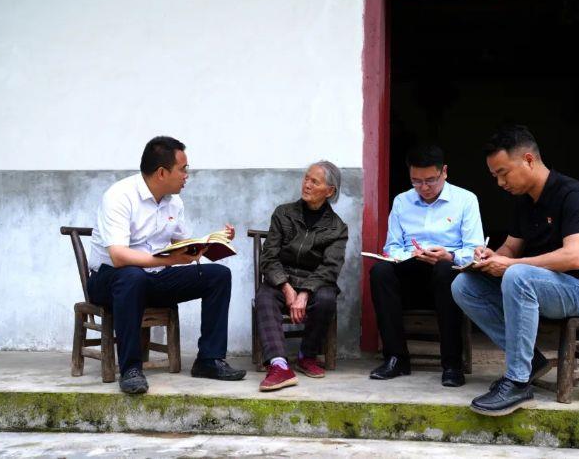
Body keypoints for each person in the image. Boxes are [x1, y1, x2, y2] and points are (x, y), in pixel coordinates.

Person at [451, 125, 579, 416]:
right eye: (495, 176)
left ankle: (518, 382)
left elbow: (574, 257)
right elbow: (511, 249)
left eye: (503, 173)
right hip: (539, 286)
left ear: (528, 160)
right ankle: (531, 362)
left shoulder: (572, 194)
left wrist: (511, 265)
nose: (500, 183)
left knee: (517, 275)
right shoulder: (525, 201)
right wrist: (492, 257)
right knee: (464, 285)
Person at [87, 136, 246, 394]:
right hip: (111, 280)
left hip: (154, 278)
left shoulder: (174, 202)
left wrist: (212, 240)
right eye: (183, 169)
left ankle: (209, 360)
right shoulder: (119, 196)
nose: (186, 175)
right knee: (132, 276)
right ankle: (131, 369)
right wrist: (171, 260)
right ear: (162, 173)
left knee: (218, 275)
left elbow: (183, 244)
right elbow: (118, 257)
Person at [369, 145, 484, 387]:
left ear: (444, 172)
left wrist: (449, 256)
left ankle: (452, 364)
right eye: (416, 181)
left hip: (448, 276)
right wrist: (410, 254)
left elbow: (475, 250)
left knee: (444, 270)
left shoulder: (466, 200)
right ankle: (396, 358)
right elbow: (391, 247)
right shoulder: (402, 201)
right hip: (411, 272)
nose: (423, 187)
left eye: (430, 180)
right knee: (380, 272)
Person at [255, 161, 348, 392]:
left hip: (314, 283)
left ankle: (307, 356)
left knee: (326, 299)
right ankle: (278, 365)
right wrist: (286, 287)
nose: (307, 184)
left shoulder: (337, 228)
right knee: (265, 297)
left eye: (314, 181)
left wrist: (304, 292)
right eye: (306, 178)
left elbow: (330, 267)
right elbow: (269, 257)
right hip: (282, 278)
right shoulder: (283, 213)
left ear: (330, 191)